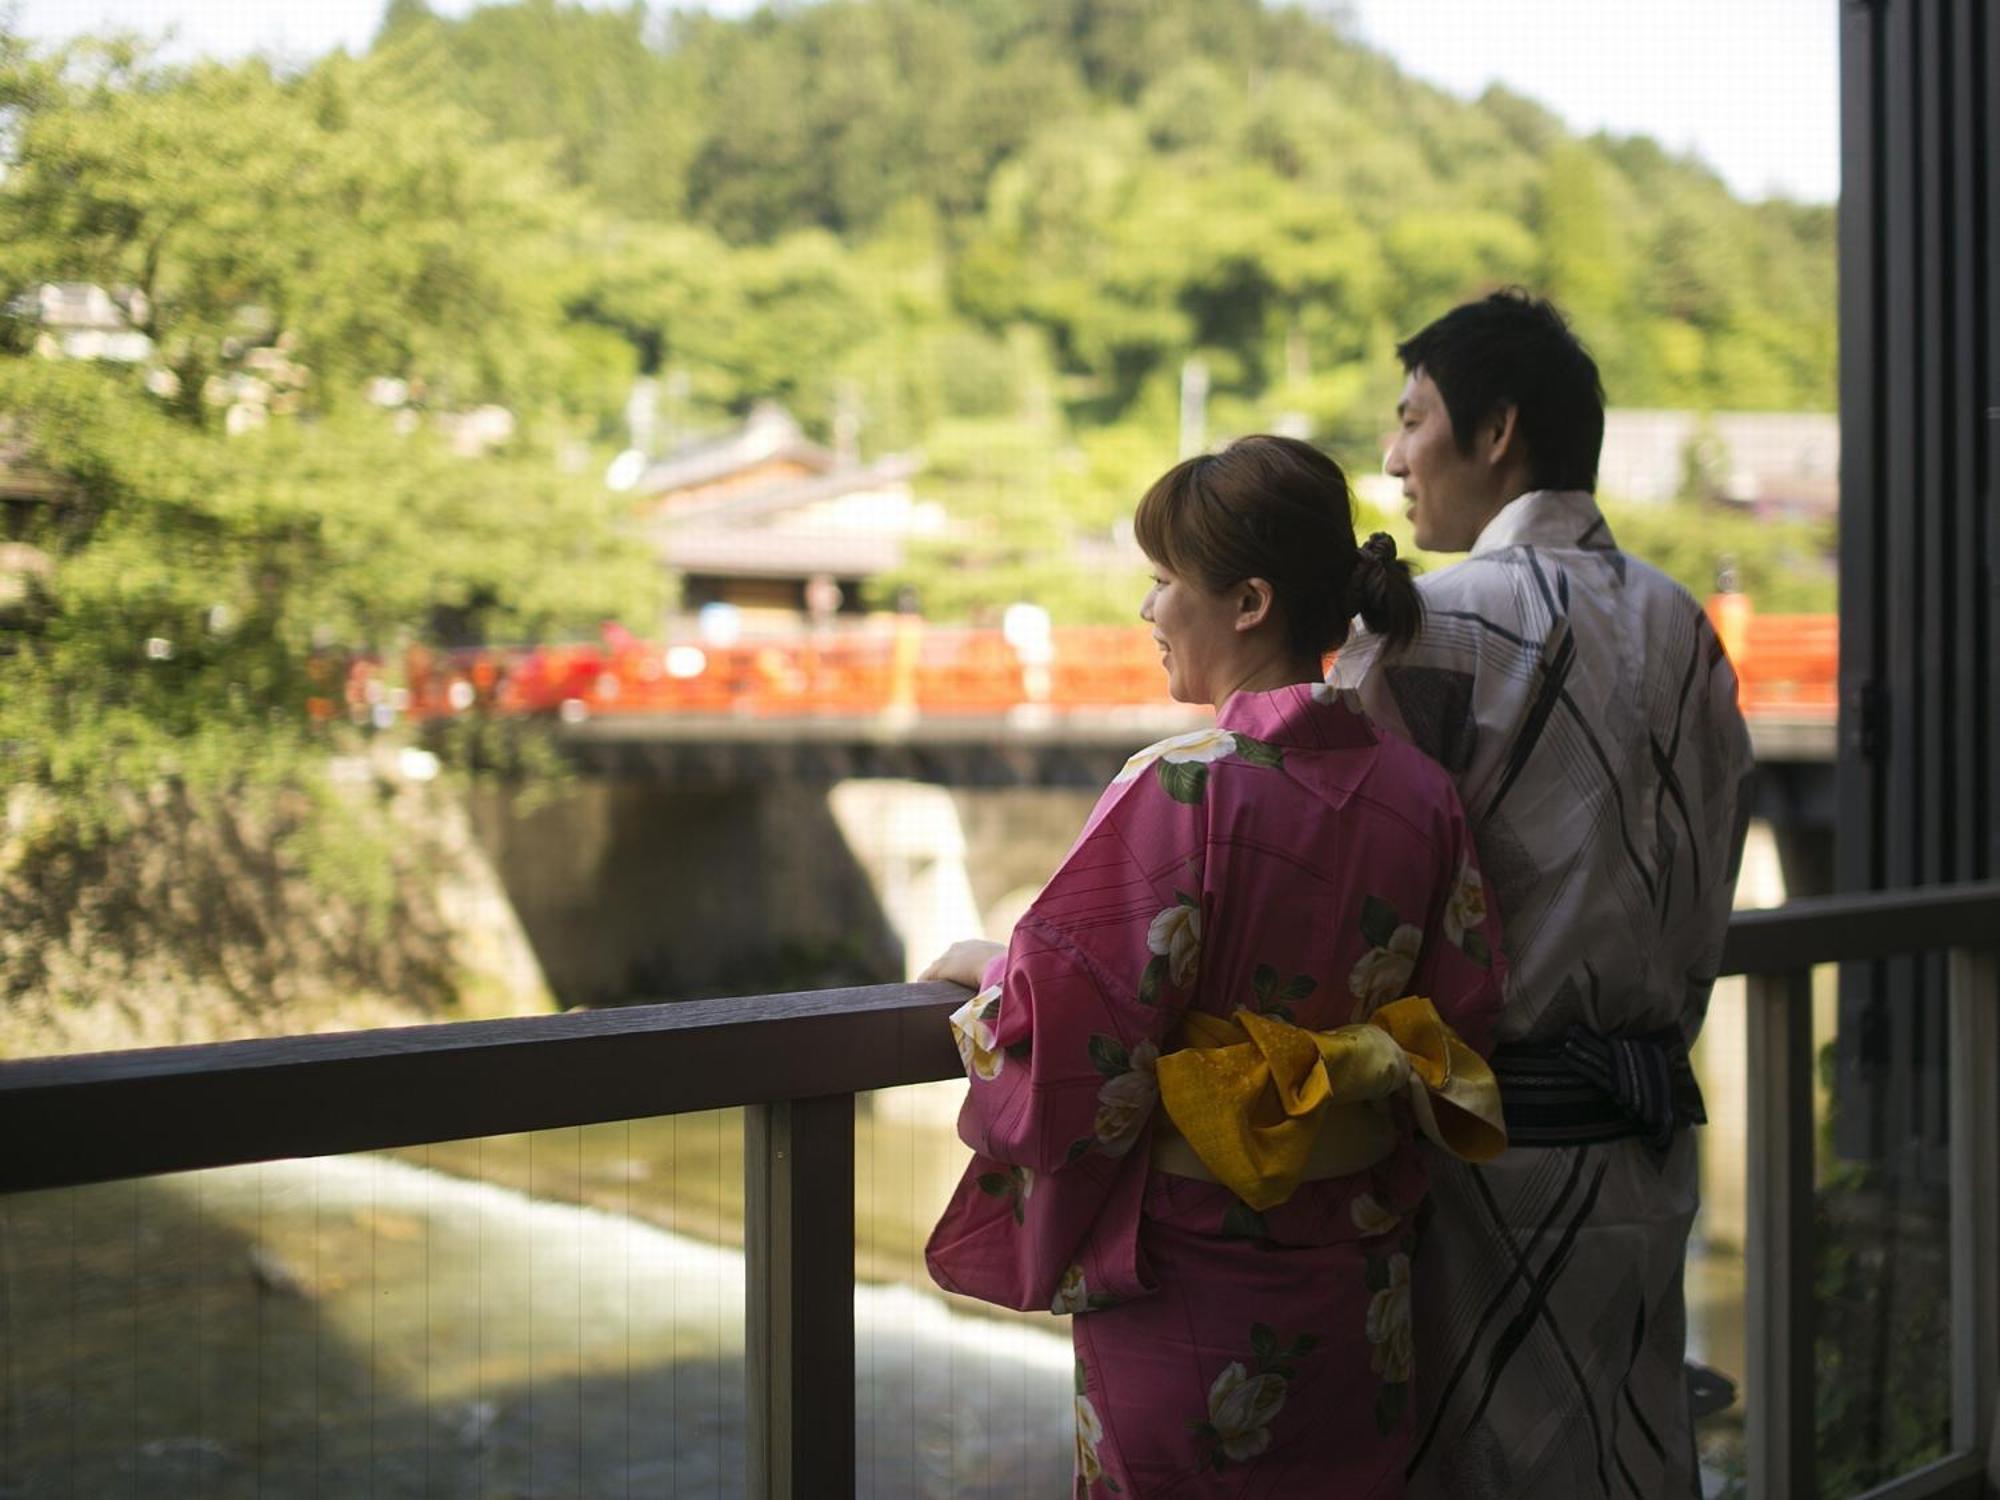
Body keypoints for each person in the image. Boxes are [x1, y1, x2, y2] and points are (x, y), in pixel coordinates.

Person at [922, 435, 1510, 1497]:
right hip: (1358, 1277)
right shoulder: (1420, 794)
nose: (1147, 610)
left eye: (1161, 581)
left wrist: (992, 974)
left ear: (1245, 601)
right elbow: (1465, 1007)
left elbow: (1076, 1043)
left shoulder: (1184, 788)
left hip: (1192, 1282)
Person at [1330, 290, 1755, 1499]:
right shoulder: (1685, 627)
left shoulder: (1438, 624)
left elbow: (1342, 896)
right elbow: (1710, 868)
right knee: (1618, 1456)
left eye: (1410, 418)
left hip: (1473, 1155)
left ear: (1495, 429)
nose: (1391, 455)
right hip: (1643, 1140)